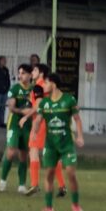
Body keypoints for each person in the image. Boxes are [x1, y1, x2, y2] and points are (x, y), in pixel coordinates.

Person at [29, 73, 84, 211]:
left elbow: (77, 119)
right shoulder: (44, 103)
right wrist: (34, 131)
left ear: (53, 84)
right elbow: (38, 119)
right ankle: (49, 207)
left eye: (46, 83)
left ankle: (75, 205)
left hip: (66, 144)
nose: (44, 86)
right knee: (49, 175)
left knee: (71, 173)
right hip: (51, 145)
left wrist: (80, 136)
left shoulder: (69, 100)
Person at [26, 62, 65, 196]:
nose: (32, 73)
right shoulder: (50, 86)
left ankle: (34, 184)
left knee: (33, 150)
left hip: (40, 122)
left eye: (35, 70)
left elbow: (38, 105)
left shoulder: (38, 86)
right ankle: (62, 185)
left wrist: (26, 116)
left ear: (41, 73)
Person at [0, 63, 32, 194]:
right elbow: (11, 107)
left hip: (27, 126)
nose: (20, 76)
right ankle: (3, 180)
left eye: (23, 73)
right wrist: (22, 111)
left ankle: (22, 184)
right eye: (19, 73)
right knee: (11, 151)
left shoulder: (34, 89)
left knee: (24, 154)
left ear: (30, 75)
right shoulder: (15, 88)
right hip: (14, 124)